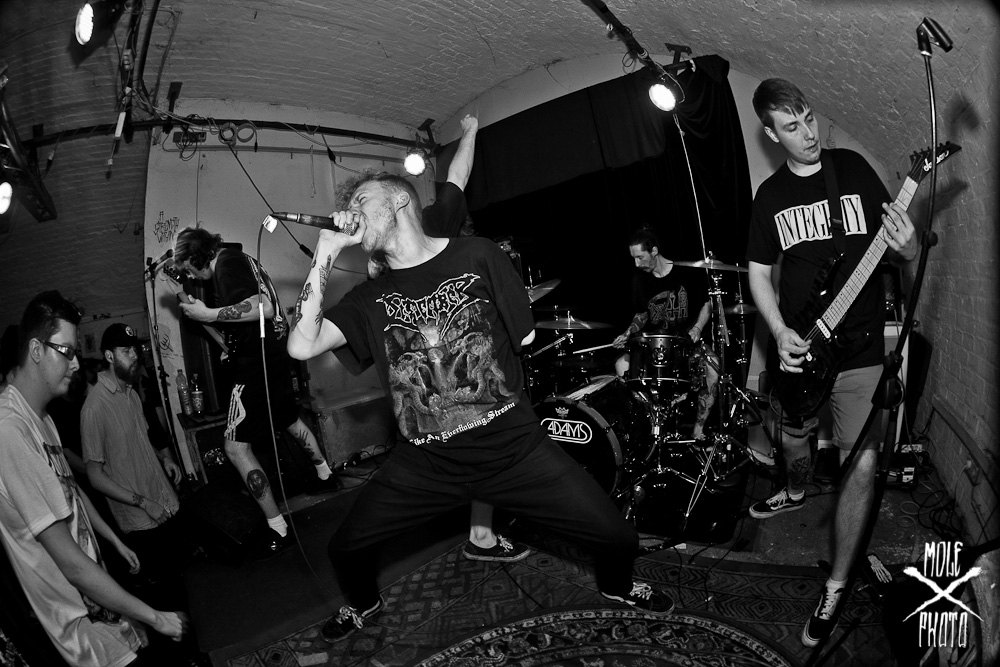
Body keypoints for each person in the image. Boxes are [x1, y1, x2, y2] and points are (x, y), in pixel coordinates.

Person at [286, 170, 674, 642]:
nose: (352, 211)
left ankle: (617, 585)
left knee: (618, 538)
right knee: (345, 549)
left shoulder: (477, 254)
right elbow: (301, 346)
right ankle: (363, 603)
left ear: (400, 202)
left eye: (362, 199)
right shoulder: (368, 298)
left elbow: (523, 337)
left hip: (513, 451)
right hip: (425, 464)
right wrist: (326, 250)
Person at [745, 78, 916, 647]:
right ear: (771, 134)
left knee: (861, 464)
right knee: (792, 439)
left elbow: (901, 246)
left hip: (861, 348)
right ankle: (794, 490)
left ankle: (837, 585)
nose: (808, 133)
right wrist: (778, 331)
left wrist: (910, 246)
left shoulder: (854, 170)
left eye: (809, 119)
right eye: (791, 127)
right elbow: (758, 274)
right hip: (801, 350)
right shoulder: (770, 197)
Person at [364, 115, 527, 564]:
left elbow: (458, 176)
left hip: (456, 363)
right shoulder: (377, 253)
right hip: (420, 371)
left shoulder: (436, 222)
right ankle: (471, 525)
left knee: (482, 431)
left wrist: (470, 131)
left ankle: (480, 532)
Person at [0, 291, 187, 666]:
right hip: (78, 630)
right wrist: (157, 618)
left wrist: (112, 541)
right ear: (36, 350)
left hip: (99, 608)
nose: (75, 363)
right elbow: (69, 564)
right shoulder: (9, 430)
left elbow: (72, 491)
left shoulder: (41, 418)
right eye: (66, 351)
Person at [173, 228, 342, 556]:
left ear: (195, 256)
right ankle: (326, 475)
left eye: (188, 267)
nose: (190, 275)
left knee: (235, 448)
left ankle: (277, 527)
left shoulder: (226, 264)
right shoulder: (242, 259)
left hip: (256, 364)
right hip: (275, 355)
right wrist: (230, 344)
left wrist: (208, 314)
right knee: (288, 418)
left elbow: (262, 307)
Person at [611, 227, 718, 440]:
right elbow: (642, 314)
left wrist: (697, 328)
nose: (637, 264)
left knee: (713, 367)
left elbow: (707, 305)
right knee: (621, 366)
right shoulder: (640, 279)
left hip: (686, 344)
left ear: (654, 251)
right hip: (656, 346)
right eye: (634, 258)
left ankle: (698, 429)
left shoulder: (686, 272)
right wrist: (628, 332)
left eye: (640, 257)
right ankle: (653, 420)